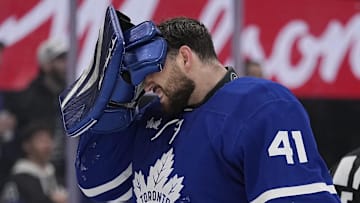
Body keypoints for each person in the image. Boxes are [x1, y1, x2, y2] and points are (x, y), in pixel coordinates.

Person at [59, 6, 340, 202]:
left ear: (184, 58)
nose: (145, 85)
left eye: (151, 71)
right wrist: (116, 108)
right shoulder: (151, 118)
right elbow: (99, 188)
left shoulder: (264, 106)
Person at [2, 39, 68, 185]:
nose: (66, 64)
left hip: (67, 172)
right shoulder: (25, 100)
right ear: (46, 65)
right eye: (60, 59)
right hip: (34, 175)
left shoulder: (73, 97)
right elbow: (12, 140)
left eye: (67, 59)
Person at [0, 121, 67, 203]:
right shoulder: (18, 180)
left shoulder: (56, 174)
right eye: (41, 140)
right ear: (26, 145)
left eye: (49, 139)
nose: (47, 145)